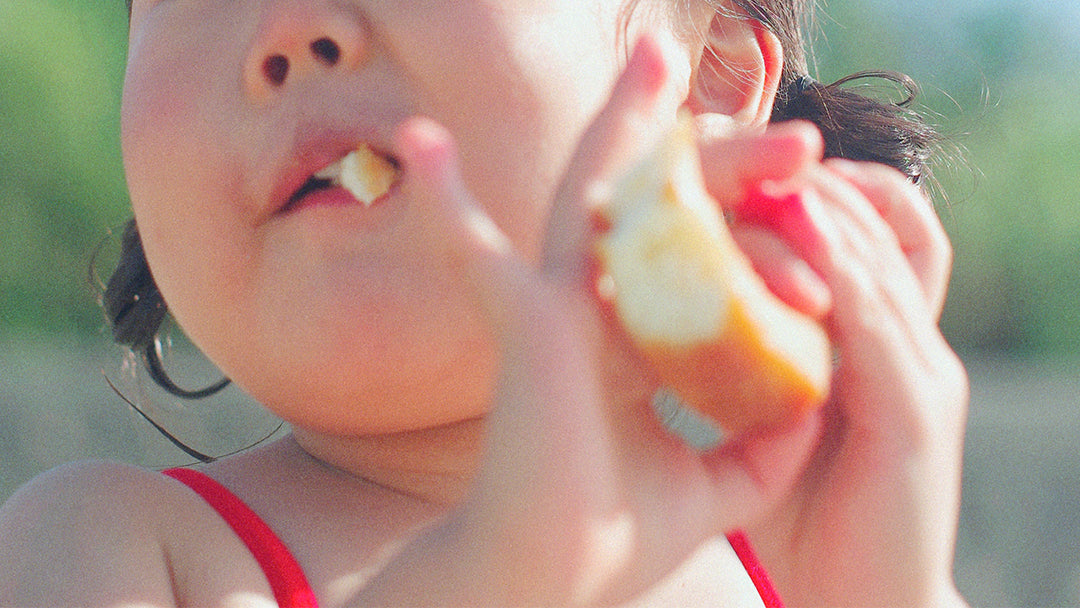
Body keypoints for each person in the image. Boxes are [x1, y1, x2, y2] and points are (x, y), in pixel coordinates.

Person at [0, 0, 970, 605]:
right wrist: (502, 571)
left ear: (708, 77)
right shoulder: (103, 550)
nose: (287, 27)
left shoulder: (819, 571)